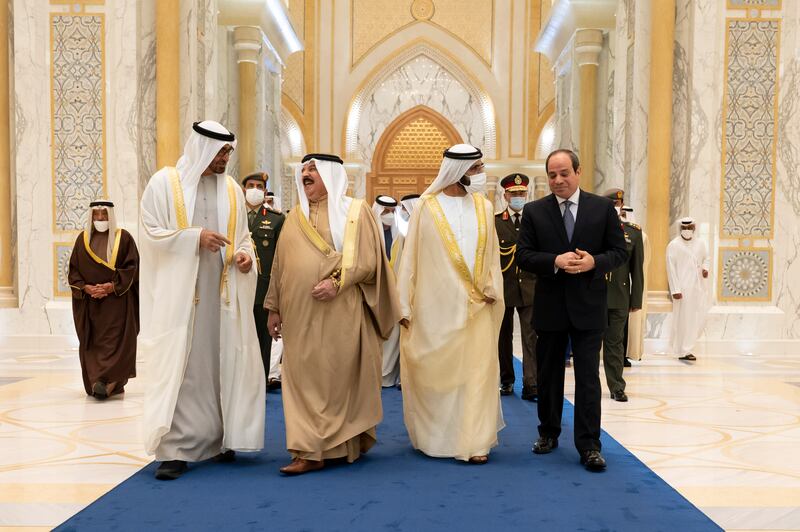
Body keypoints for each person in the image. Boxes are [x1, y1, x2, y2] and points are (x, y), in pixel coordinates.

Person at [139, 120, 265, 480]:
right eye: (220, 152)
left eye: (228, 152)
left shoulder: (231, 191)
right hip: (182, 297)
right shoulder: (165, 184)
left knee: (220, 365)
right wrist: (194, 238)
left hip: (222, 296)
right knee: (183, 368)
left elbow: (243, 238)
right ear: (201, 148)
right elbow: (150, 232)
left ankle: (219, 439)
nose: (225, 158)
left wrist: (245, 257)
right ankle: (176, 449)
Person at [265, 153, 399, 475]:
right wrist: (273, 307)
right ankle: (308, 451)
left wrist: (337, 283)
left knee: (338, 379)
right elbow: (278, 267)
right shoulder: (294, 217)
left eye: (314, 169)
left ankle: (342, 444)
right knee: (300, 379)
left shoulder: (355, 213)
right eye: (304, 170)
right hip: (299, 317)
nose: (306, 174)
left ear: (331, 175)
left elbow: (369, 261)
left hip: (343, 313)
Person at [516, 148, 627, 472]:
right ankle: (548, 433)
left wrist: (595, 262)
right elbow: (523, 255)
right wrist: (554, 260)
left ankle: (590, 445)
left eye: (564, 173)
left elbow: (618, 251)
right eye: (552, 175)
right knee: (549, 376)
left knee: (588, 379)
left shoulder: (602, 208)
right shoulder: (535, 211)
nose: (558, 180)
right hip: (550, 308)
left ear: (578, 172)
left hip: (589, 308)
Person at [398, 144, 505, 464]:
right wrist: (404, 304)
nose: (482, 174)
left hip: (477, 307)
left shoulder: (485, 208)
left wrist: (493, 286)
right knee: (439, 379)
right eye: (476, 169)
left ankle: (475, 442)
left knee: (477, 375)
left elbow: (494, 258)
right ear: (459, 172)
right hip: (435, 309)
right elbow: (410, 261)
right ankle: (438, 440)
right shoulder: (426, 208)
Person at [68, 200, 139, 399]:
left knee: (115, 343)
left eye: (104, 215)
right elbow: (73, 271)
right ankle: (101, 383)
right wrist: (86, 288)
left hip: (117, 303)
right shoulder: (82, 240)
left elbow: (132, 268)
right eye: (96, 215)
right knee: (95, 344)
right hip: (91, 304)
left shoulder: (123, 238)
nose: (100, 219)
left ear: (111, 216)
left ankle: (106, 384)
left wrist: (111, 286)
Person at [496, 173, 538, 401]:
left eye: (522, 193)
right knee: (503, 337)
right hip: (504, 288)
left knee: (531, 338)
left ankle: (531, 383)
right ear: (506, 195)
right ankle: (507, 379)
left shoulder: (535, 221)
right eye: (514, 194)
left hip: (530, 287)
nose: (519, 197)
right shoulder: (496, 221)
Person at [242, 172, 285, 384]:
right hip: (237, 289)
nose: (254, 190)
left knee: (263, 340)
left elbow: (281, 257)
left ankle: (260, 382)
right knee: (237, 339)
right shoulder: (233, 214)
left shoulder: (276, 219)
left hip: (263, 289)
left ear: (265, 191)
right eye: (250, 185)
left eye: (259, 186)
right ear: (243, 189)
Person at [601, 189, 643, 402]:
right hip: (594, 297)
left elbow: (637, 269)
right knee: (589, 346)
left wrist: (636, 299)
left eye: (617, 203)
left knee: (615, 344)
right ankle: (588, 387)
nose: (614, 206)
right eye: (610, 203)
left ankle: (617, 386)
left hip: (619, 296)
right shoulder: (592, 229)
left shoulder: (632, 232)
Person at [382, 193, 422, 388]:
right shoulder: (402, 235)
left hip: (420, 295)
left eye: (405, 210)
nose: (402, 214)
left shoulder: (423, 234)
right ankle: (400, 375)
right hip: (402, 293)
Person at [666, 217, 710, 362]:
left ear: (694, 228)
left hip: (698, 288)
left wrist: (705, 269)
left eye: (689, 228)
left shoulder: (701, 243)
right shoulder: (674, 245)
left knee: (695, 319)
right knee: (682, 320)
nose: (687, 231)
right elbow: (670, 268)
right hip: (682, 289)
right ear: (680, 229)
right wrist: (675, 289)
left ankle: (688, 348)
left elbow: (706, 258)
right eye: (684, 228)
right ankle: (681, 350)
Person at [372, 195, 398, 259]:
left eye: (393, 211)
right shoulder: (370, 233)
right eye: (386, 211)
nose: (391, 215)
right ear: (378, 212)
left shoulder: (398, 233)